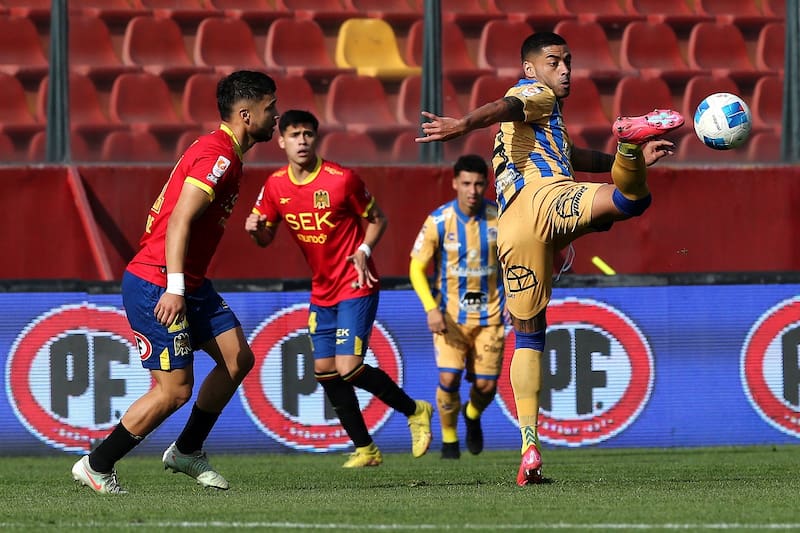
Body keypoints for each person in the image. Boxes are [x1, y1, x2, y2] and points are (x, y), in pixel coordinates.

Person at [415, 32, 683, 485]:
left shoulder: (545, 123)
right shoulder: (531, 93)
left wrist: (612, 158)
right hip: (549, 200)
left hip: (516, 229)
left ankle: (529, 448)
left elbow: (574, 154)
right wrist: (463, 124)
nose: (564, 70)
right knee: (630, 201)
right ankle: (629, 145)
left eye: (568, 62)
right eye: (554, 61)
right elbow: (508, 106)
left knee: (529, 336)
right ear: (530, 69)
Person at [71, 70, 280, 494]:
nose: (275, 116)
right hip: (159, 281)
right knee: (174, 389)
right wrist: (175, 288)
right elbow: (180, 221)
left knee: (238, 358)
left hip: (188, 280)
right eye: (270, 108)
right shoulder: (218, 156)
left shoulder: (227, 153)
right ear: (245, 114)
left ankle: (187, 450)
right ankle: (96, 464)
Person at [245, 109, 433, 467]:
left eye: (308, 134)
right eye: (295, 135)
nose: (302, 141)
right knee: (325, 371)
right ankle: (366, 449)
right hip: (322, 290)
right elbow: (266, 237)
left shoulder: (340, 179)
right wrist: (256, 230)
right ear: (281, 140)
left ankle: (415, 410)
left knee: (348, 366)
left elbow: (378, 219)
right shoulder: (275, 186)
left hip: (356, 283)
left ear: (316, 139)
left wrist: (363, 250)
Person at [409, 154, 505, 460]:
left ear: (486, 184)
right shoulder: (438, 221)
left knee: (486, 386)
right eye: (466, 183)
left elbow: (516, 261)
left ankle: (473, 414)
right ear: (454, 184)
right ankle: (449, 440)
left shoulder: (499, 217)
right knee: (448, 379)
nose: (473, 190)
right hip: (449, 315)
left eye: (478, 183)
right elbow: (416, 268)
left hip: (490, 315)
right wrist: (430, 308)